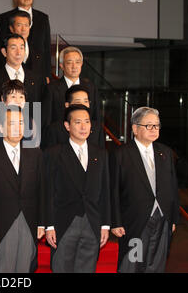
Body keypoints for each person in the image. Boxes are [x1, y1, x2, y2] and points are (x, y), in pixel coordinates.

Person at [0, 105, 45, 272]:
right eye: (12, 123)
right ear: (1, 127)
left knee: (25, 268)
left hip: (29, 222)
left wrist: (42, 223)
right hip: (0, 225)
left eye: (21, 123)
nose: (18, 128)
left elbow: (42, 191)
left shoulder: (35, 154)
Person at [110, 107, 179, 273]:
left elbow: (173, 187)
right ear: (135, 128)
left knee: (157, 264)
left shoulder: (166, 153)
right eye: (148, 125)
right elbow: (112, 190)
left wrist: (174, 218)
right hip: (135, 221)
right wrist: (115, 221)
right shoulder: (121, 154)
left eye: (156, 125)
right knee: (134, 264)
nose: (154, 129)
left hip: (162, 219)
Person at [45, 104, 110, 273]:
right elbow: (48, 192)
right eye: (78, 122)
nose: (83, 127)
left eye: (87, 122)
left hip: (92, 221)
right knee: (61, 267)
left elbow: (105, 191)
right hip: (64, 222)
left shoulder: (100, 154)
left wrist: (105, 225)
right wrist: (49, 225)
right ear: (67, 126)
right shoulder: (54, 153)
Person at [0, 0, 51, 78]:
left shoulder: (42, 17)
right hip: (12, 70)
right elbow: (0, 47)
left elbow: (46, 48)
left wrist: (47, 75)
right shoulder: (5, 17)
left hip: (37, 69)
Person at [43, 46, 100, 128]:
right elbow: (47, 120)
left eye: (77, 62)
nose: (74, 66)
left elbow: (96, 118)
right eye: (69, 62)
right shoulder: (51, 89)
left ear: (81, 64)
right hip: (60, 137)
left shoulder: (91, 87)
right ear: (61, 66)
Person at [0, 34, 46, 106]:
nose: (18, 53)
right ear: (4, 52)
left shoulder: (37, 79)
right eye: (13, 48)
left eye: (21, 48)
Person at [41, 85, 105, 149]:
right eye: (78, 102)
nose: (83, 105)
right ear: (67, 105)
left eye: (86, 101)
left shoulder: (97, 128)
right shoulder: (54, 130)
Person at [0, 10, 48, 82]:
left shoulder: (38, 52)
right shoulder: (0, 53)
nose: (23, 29)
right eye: (19, 25)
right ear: (11, 28)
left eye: (26, 25)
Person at [0, 80, 40, 149]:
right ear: (3, 99)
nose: (18, 101)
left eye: (21, 97)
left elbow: (36, 151)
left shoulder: (30, 121)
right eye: (13, 97)